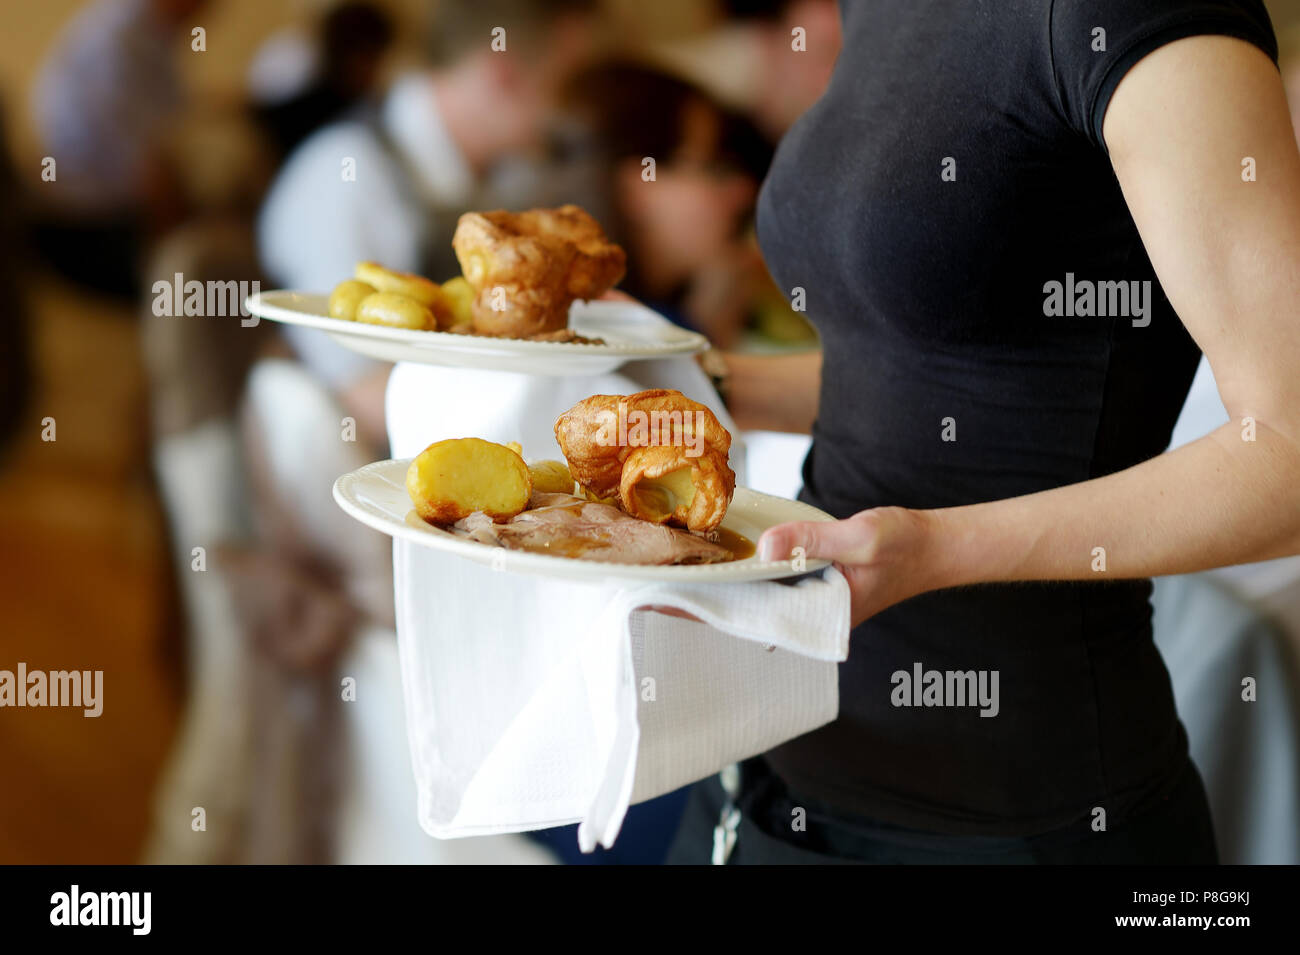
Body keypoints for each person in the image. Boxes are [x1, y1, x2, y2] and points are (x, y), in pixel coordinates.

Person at [668, 0, 1300, 864]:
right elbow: (923, 372)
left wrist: (938, 549)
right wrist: (683, 384)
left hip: (1016, 817)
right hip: (767, 757)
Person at [561, 61, 772, 346]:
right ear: (638, 187)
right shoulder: (604, 338)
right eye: (714, 168)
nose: (743, 191)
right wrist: (705, 340)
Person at [29, 0, 208, 298]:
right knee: (212, 284)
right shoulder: (118, 43)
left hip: (113, 215)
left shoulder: (151, 36)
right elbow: (152, 179)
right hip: (84, 228)